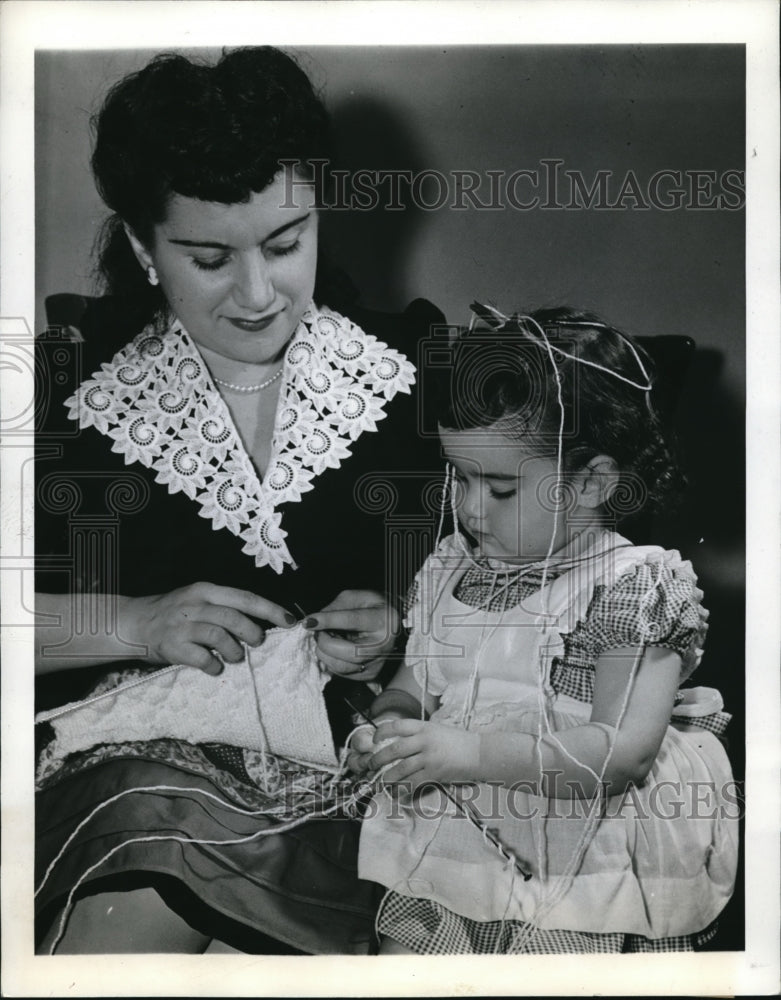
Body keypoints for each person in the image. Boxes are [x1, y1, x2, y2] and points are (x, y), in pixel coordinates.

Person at [34, 47, 442, 954]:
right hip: (124, 798)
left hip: (353, 791)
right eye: (210, 257)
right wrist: (132, 623)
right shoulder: (62, 387)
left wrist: (403, 628)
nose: (258, 295)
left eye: (286, 243)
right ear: (144, 246)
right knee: (147, 852)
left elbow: (513, 592)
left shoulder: (413, 371)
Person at [348, 305, 739, 954]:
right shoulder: (452, 568)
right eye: (459, 476)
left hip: (580, 852)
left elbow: (621, 754)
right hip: (457, 838)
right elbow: (411, 686)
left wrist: (467, 753)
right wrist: (387, 727)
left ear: (588, 483)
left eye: (498, 487)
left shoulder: (630, 585)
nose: (468, 507)